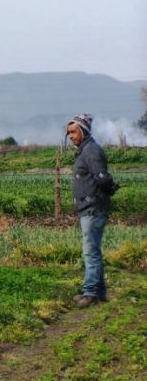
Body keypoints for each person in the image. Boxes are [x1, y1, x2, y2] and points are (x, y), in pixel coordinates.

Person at [67, 114, 119, 308]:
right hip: (88, 208)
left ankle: (90, 293)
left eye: (73, 131)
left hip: (93, 209)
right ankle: (100, 293)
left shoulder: (91, 151)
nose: (70, 136)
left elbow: (103, 178)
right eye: (68, 133)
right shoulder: (84, 150)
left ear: (83, 130)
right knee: (93, 250)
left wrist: (110, 187)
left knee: (90, 252)